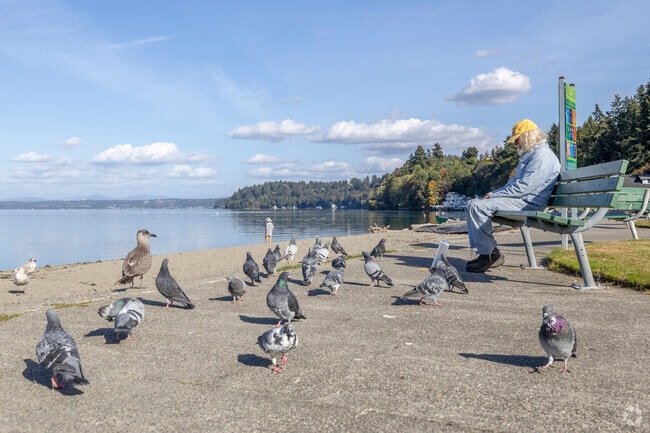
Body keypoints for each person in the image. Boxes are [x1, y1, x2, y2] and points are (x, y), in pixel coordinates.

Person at [465, 119, 561, 273]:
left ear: (529, 136)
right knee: (473, 204)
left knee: (477, 206)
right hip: (523, 200)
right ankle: (487, 253)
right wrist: (494, 194)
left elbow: (524, 187)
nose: (515, 143)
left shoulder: (541, 156)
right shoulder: (532, 155)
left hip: (529, 203)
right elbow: (514, 184)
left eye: (517, 139)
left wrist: (495, 195)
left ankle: (489, 255)